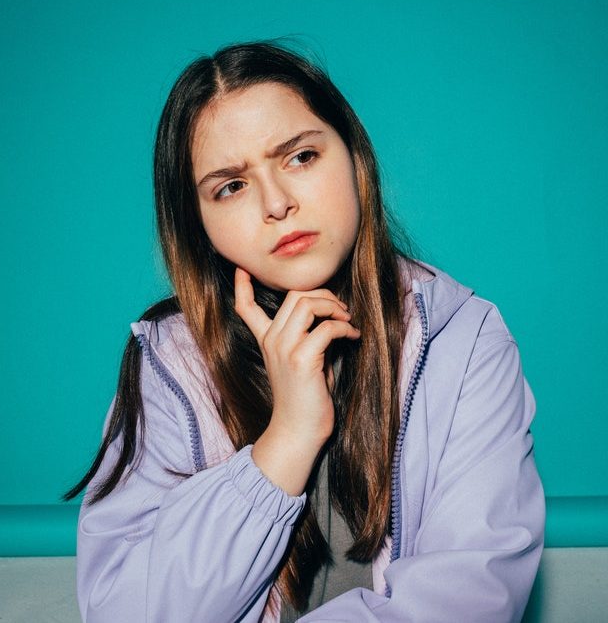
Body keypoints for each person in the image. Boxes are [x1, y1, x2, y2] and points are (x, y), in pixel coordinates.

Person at [64, 39, 545, 622]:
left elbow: (469, 600)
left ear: (353, 158)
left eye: (299, 157)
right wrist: (285, 441)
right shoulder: (171, 363)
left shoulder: (463, 341)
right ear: (200, 226)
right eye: (231, 186)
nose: (276, 203)